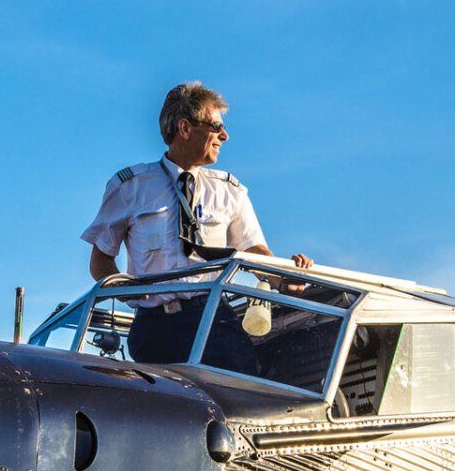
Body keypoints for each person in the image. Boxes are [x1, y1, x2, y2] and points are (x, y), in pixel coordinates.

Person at [80, 82, 313, 367]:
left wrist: (284, 277)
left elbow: (253, 251)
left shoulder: (230, 190)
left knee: (245, 386)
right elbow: (100, 261)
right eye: (216, 127)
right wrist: (130, 291)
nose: (224, 136)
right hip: (155, 326)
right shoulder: (130, 186)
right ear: (185, 128)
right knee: (168, 402)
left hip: (214, 318)